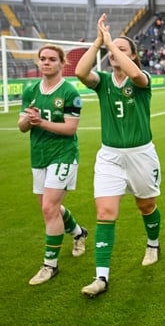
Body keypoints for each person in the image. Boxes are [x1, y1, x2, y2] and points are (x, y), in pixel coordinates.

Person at [75, 13, 163, 297]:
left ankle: (153, 243)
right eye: (112, 51)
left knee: (146, 206)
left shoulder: (142, 78)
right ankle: (101, 277)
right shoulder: (101, 81)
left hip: (141, 154)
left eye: (123, 50)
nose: (114, 53)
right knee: (105, 213)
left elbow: (135, 74)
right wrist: (100, 41)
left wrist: (112, 43)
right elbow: (79, 72)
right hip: (110, 156)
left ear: (134, 55)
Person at [18, 44, 88, 286]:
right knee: (50, 208)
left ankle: (50, 265)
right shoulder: (30, 90)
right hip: (38, 155)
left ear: (61, 63)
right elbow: (21, 126)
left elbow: (70, 129)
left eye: (51, 59)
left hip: (64, 154)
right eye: (43, 59)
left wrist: (41, 121)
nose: (46, 62)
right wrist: (28, 119)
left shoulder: (70, 92)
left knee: (49, 208)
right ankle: (79, 233)